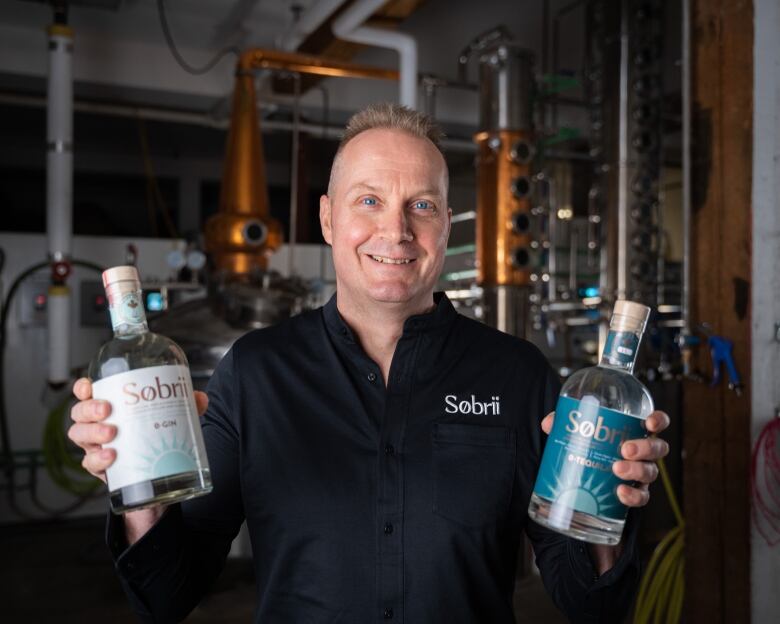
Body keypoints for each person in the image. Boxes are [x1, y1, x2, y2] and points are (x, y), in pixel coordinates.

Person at [69, 103, 670, 623]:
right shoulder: (256, 372)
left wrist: (609, 500)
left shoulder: (517, 374)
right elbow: (165, 598)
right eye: (369, 200)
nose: (396, 230)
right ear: (329, 219)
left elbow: (591, 606)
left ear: (446, 225)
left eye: (422, 205)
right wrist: (138, 488)